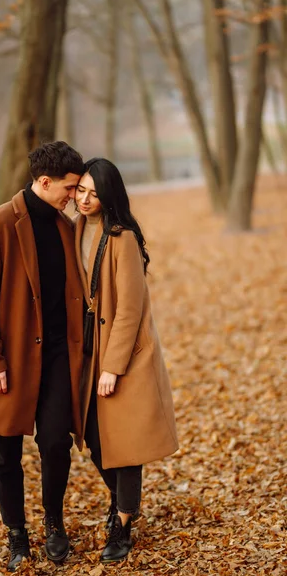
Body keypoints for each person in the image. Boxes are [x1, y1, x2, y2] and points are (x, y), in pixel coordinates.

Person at [0, 141, 85, 571]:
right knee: (5, 451)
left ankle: (53, 523)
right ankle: (16, 534)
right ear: (44, 182)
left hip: (58, 355)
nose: (73, 196)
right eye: (69, 188)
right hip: (11, 357)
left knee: (56, 442)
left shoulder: (65, 226)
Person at [74, 158, 179, 563]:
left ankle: (121, 523)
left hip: (123, 353)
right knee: (94, 435)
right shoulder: (79, 228)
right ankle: (122, 503)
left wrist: (112, 367)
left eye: (94, 193)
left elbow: (130, 310)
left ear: (109, 195)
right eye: (80, 190)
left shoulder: (123, 238)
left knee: (125, 441)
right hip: (89, 348)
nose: (84, 199)